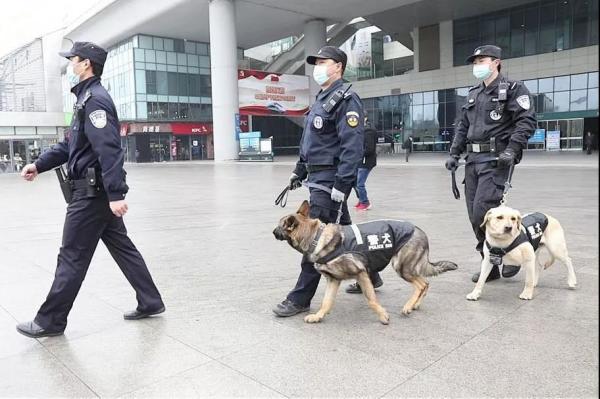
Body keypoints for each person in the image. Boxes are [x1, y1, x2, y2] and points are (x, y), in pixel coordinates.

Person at [16, 42, 165, 338]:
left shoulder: (95, 100)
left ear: (87, 64)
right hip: (95, 193)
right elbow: (71, 145)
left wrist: (116, 194)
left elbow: (109, 148)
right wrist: (40, 164)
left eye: (73, 59)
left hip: (91, 195)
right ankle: (150, 300)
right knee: (123, 248)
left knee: (71, 255)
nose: (70, 64)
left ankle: (50, 321)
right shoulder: (84, 99)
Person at [272, 45, 378, 317]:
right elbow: (310, 142)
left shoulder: (346, 99)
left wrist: (342, 185)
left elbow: (352, 146)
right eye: (316, 63)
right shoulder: (322, 99)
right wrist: (299, 170)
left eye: (323, 62)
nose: (318, 67)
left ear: (338, 67)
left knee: (314, 241)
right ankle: (371, 275)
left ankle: (300, 298)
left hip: (330, 181)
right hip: (316, 176)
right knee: (345, 230)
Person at [444, 45, 536, 283]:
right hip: (473, 162)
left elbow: (526, 121)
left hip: (496, 161)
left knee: (482, 213)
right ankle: (492, 262)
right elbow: (462, 126)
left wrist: (512, 149)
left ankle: (512, 253)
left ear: (496, 62)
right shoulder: (473, 94)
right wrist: (454, 153)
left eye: (482, 60)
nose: (477, 66)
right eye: (475, 62)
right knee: (475, 217)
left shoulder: (514, 89)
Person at [346, 114, 383, 294]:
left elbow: (368, 148)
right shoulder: (362, 129)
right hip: (361, 161)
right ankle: (362, 200)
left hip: (365, 162)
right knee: (356, 182)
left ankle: (365, 201)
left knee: (359, 183)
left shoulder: (367, 130)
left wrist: (357, 153)